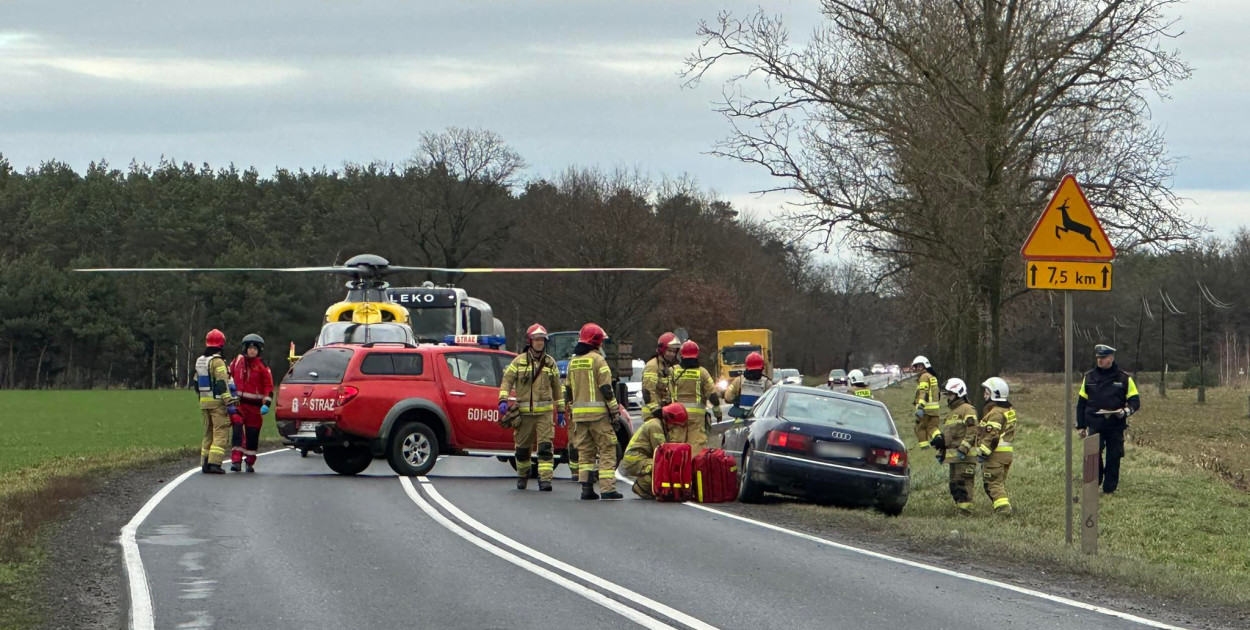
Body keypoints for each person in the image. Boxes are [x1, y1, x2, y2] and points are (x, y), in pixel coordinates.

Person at [499, 324, 564, 491]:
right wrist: (503, 399)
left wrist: (561, 410)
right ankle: (523, 475)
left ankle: (545, 480)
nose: (539, 342)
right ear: (530, 341)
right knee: (522, 449)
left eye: (542, 339)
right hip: (524, 415)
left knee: (545, 448)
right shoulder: (519, 362)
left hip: (544, 415)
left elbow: (557, 388)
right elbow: (507, 380)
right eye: (536, 339)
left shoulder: (550, 363)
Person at [564, 323, 625, 500]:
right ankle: (607, 489)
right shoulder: (598, 360)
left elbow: (567, 390)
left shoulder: (573, 362)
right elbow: (606, 389)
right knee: (607, 449)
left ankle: (586, 488)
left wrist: (569, 409)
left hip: (579, 417)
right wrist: (614, 411)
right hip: (599, 416)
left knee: (585, 452)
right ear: (596, 341)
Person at [1077, 344, 1140, 495]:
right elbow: (1081, 403)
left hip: (1115, 424)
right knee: (1093, 453)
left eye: (1103, 357)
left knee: (1114, 456)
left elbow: (1135, 401)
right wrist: (1081, 426)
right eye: (1098, 357)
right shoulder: (1089, 377)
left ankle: (1109, 488)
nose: (1100, 360)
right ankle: (1093, 483)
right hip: (1095, 423)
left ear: (1111, 358)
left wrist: (1125, 412)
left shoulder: (1123, 378)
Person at [621, 403, 689, 499]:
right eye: (674, 425)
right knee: (663, 466)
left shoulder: (660, 424)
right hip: (635, 460)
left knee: (664, 465)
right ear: (669, 420)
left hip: (639, 458)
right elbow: (662, 451)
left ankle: (651, 487)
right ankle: (641, 487)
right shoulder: (655, 426)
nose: (674, 428)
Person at [933, 378, 980, 515]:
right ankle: (960, 508)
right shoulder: (951, 413)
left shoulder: (967, 409)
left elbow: (972, 431)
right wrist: (941, 449)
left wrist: (963, 449)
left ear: (959, 393)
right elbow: (950, 437)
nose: (948, 398)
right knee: (954, 485)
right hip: (954, 458)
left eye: (950, 394)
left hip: (965, 457)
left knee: (963, 484)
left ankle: (965, 512)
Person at [228, 334, 273, 473]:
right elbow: (228, 377)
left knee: (252, 435)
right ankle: (236, 461)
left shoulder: (262, 366)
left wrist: (266, 404)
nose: (252, 351)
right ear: (245, 348)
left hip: (254, 407)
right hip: (238, 405)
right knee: (237, 431)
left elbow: (269, 386)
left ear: (259, 350)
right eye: (250, 348)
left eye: (255, 348)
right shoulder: (237, 362)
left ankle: (249, 461)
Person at [195, 329, 238, 475]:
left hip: (204, 403)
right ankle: (215, 463)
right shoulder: (217, 361)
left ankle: (205, 463)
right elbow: (221, 383)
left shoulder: (200, 360)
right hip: (217, 403)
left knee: (208, 433)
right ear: (221, 344)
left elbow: (196, 383)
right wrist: (229, 402)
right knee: (220, 432)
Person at [670, 340, 722, 455]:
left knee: (676, 444)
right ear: (697, 355)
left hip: (676, 415)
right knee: (696, 446)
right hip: (696, 418)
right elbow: (713, 395)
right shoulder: (703, 373)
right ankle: (692, 465)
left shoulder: (673, 371)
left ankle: (678, 464)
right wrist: (718, 413)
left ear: (681, 355)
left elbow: (665, 391)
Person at [974, 377, 1017, 515]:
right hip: (1006, 455)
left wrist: (983, 452)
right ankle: (1000, 507)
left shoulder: (995, 413)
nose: (984, 395)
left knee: (993, 483)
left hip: (995, 454)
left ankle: (1004, 510)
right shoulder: (1008, 410)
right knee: (998, 483)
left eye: (987, 392)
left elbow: (992, 435)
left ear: (995, 394)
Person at [641, 332, 680, 421]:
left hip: (664, 413)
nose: (672, 354)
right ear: (662, 350)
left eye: (674, 352)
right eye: (669, 351)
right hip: (653, 416)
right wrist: (655, 410)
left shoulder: (667, 367)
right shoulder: (652, 366)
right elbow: (648, 391)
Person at [724, 351, 774, 415]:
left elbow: (728, 397)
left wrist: (737, 400)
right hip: (759, 417)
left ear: (747, 366)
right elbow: (772, 402)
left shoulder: (739, 380)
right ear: (762, 367)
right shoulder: (767, 383)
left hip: (741, 418)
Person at [910, 355, 942, 450]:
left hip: (925, 409)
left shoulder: (924, 377)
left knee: (920, 428)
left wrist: (920, 406)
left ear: (925, 366)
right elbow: (938, 394)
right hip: (935, 410)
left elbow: (924, 392)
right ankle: (938, 438)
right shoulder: (932, 377)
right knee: (932, 427)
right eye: (917, 366)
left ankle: (924, 448)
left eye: (920, 366)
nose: (918, 368)